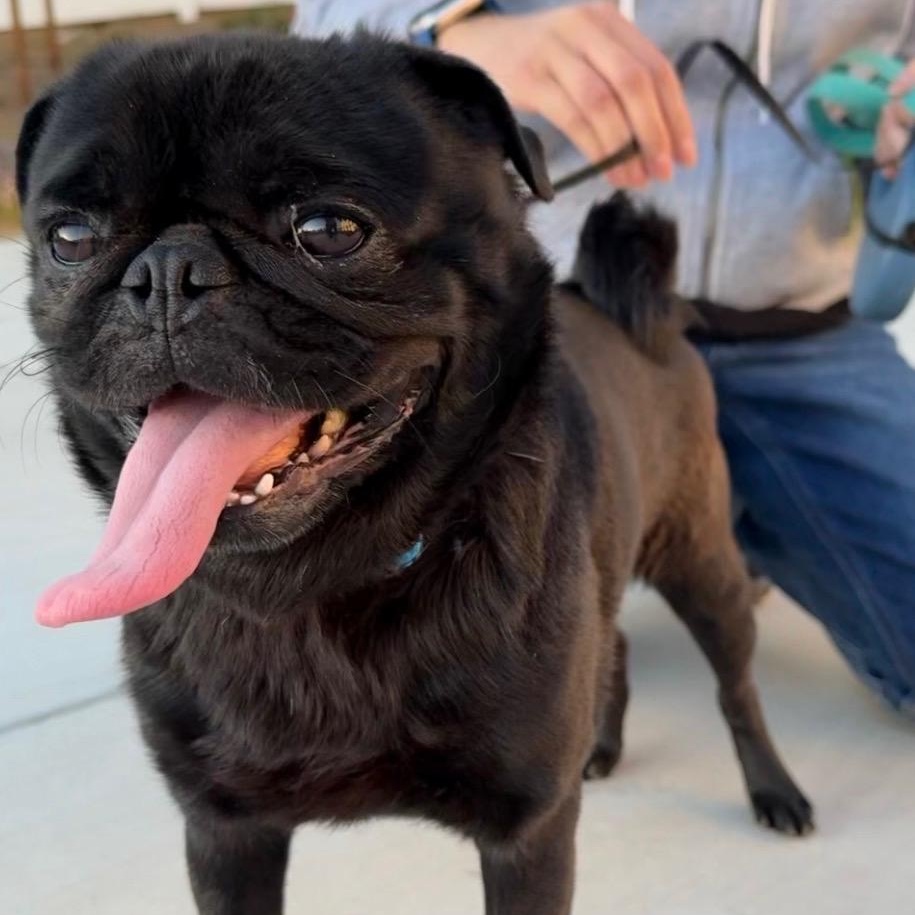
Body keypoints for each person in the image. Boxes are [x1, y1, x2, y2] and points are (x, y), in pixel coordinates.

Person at [294, 0, 915, 718]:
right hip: (564, 316)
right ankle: (727, 505)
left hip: (799, 324)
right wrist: (442, 38)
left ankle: (723, 507)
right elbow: (322, 35)